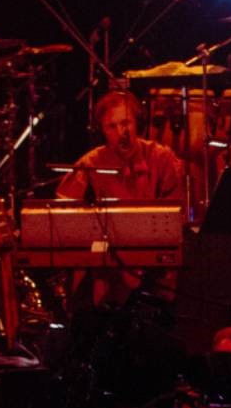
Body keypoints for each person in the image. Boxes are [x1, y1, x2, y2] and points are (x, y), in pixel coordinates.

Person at [54, 91, 187, 307]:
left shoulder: (162, 159)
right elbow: (64, 216)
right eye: (111, 127)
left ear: (138, 123)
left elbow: (176, 218)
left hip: (155, 270)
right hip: (107, 270)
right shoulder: (91, 163)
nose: (121, 132)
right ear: (103, 131)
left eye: (126, 123)